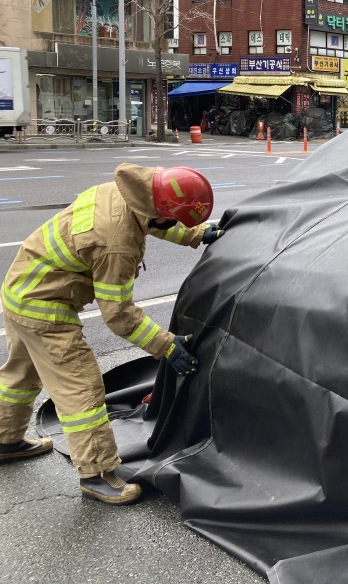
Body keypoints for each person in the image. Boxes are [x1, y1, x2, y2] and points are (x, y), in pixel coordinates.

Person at [0, 164, 224, 505]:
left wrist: (196, 234)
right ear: (158, 211)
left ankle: (5, 440)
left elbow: (155, 221)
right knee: (81, 387)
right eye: (173, 220)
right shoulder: (117, 243)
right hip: (45, 308)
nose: (170, 225)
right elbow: (118, 314)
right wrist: (166, 346)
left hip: (20, 290)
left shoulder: (129, 193)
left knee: (20, 375)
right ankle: (97, 474)